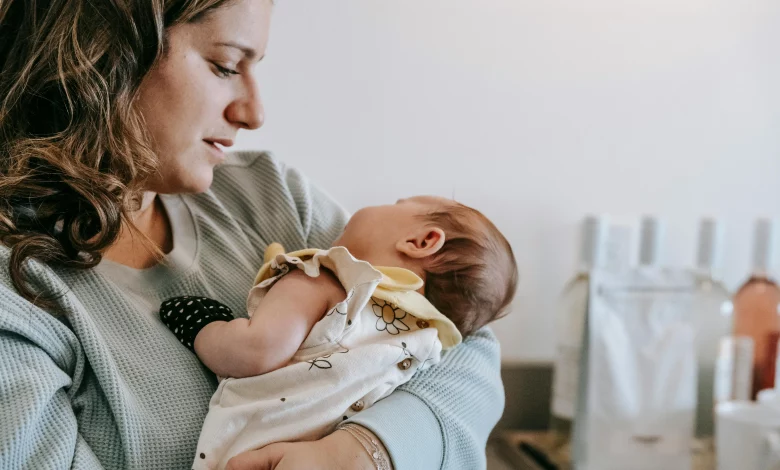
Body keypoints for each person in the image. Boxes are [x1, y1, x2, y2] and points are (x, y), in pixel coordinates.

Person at [0, 0, 506, 469]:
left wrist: (364, 452)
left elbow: (463, 343)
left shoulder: (268, 193)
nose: (254, 113)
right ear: (98, 52)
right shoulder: (17, 290)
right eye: (224, 65)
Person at [158, 196, 518, 469]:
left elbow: (256, 348)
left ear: (422, 241)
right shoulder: (429, 340)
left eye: (398, 203)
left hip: (252, 453)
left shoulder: (333, 278)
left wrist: (204, 324)